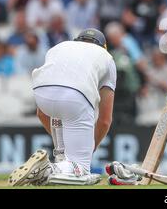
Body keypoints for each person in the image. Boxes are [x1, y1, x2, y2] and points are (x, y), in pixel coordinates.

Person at [8, 28, 116, 186]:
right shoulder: (106, 58)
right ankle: (47, 168)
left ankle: (58, 165)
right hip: (76, 97)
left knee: (68, 157)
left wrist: (63, 147)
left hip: (42, 94)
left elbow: (41, 113)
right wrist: (87, 148)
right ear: (103, 46)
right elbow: (105, 120)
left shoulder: (59, 47)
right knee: (81, 169)